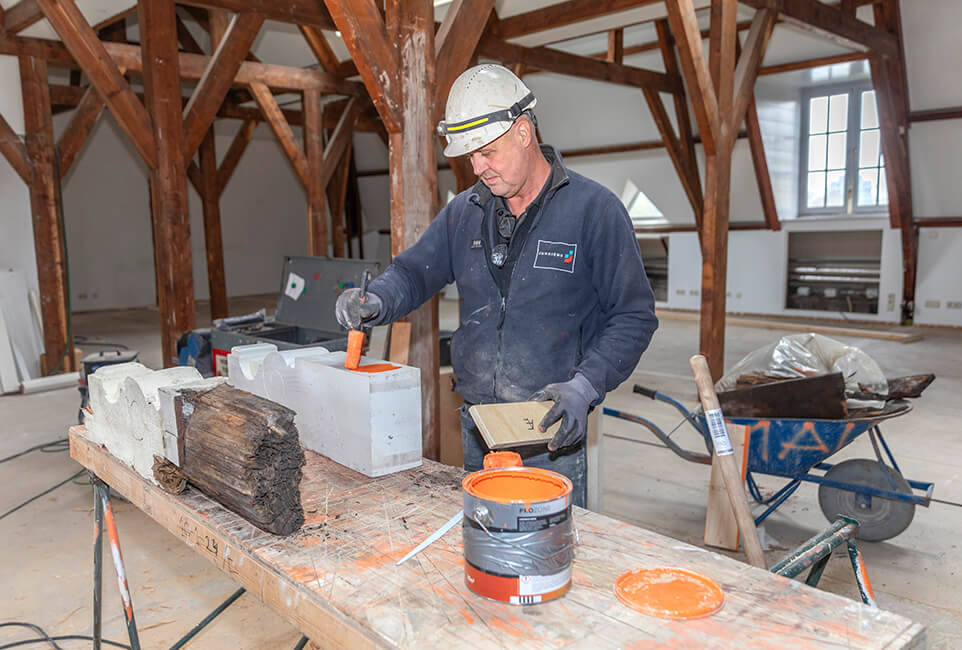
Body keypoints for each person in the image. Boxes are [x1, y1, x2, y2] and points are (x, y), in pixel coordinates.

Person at [335, 64, 658, 507]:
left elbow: (634, 315)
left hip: (549, 427)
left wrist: (585, 386)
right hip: (480, 426)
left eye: (487, 152)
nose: (477, 167)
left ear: (523, 133)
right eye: (471, 156)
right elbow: (414, 272)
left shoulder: (594, 211)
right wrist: (375, 301)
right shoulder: (465, 212)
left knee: (547, 554)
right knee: (486, 548)